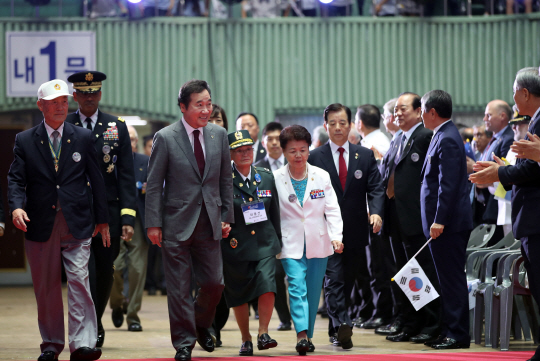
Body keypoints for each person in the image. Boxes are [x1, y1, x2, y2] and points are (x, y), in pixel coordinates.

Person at [7, 79, 110, 361]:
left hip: (77, 221)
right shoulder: (25, 140)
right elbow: (16, 179)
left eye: (64, 101)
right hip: (40, 223)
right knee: (47, 286)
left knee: (79, 281)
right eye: (54, 103)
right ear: (41, 106)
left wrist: (102, 220)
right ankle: (51, 344)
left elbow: (97, 181)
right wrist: (16, 207)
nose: (61, 107)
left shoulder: (83, 137)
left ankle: (83, 344)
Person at [145, 79, 234, 361]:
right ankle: (184, 343)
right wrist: (153, 223)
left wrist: (226, 215)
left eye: (208, 103)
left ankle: (198, 323)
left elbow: (225, 180)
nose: (206, 110)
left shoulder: (219, 135)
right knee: (180, 288)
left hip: (210, 221)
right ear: (183, 107)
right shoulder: (166, 137)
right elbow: (154, 183)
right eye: (199, 105)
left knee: (214, 284)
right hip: (175, 223)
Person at [470, 67, 540, 361]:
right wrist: (502, 171)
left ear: (524, 93)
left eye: (514, 90)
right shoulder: (534, 120)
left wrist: (499, 173)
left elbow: (531, 169)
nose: (513, 98)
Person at [65, 71, 137, 348]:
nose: (89, 97)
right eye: (83, 93)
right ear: (75, 96)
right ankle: (89, 326)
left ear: (100, 94)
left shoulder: (115, 126)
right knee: (81, 272)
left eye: (93, 92)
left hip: (108, 212)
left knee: (105, 270)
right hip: (76, 212)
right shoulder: (65, 123)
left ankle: (94, 318)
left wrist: (128, 216)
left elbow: (127, 175)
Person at [308, 104, 384, 349]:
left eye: (342, 122)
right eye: (332, 123)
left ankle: (336, 328)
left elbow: (376, 188)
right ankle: (344, 324)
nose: (338, 127)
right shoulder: (314, 157)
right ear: (325, 126)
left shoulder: (365, 155)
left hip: (355, 229)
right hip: (325, 230)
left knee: (348, 280)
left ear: (351, 125)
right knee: (333, 279)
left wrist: (376, 212)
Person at [274, 124, 344, 355]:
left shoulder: (321, 176)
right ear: (284, 152)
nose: (298, 155)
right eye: (293, 150)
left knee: (313, 292)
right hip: (290, 242)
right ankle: (301, 335)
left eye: (303, 150)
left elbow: (332, 209)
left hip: (318, 241)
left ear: (309, 150)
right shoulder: (276, 179)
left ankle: (308, 335)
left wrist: (336, 237)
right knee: (296, 286)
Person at [382, 92, 441, 344]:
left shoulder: (425, 136)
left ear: (419, 111)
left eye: (403, 108)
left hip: (416, 217)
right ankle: (409, 321)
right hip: (394, 215)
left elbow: (433, 178)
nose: (397, 113)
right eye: (395, 109)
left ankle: (431, 323)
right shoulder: (397, 138)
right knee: (403, 273)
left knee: (421, 272)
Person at [420, 89, 472, 350]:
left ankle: (458, 334)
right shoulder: (441, 134)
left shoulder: (449, 137)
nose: (420, 115)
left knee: (452, 279)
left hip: (448, 225)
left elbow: (447, 184)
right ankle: (447, 329)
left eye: (421, 109)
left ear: (432, 112)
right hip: (442, 225)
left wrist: (439, 220)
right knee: (444, 279)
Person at [222, 129, 281, 356]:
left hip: (265, 242)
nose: (245, 154)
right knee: (239, 292)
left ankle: (263, 333)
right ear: (230, 154)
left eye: (248, 149)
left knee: (268, 282)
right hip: (236, 244)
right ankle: (246, 339)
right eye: (239, 150)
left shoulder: (265, 176)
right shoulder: (224, 179)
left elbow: (274, 210)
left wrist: (278, 239)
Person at [109, 125, 150, 332]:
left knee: (137, 269)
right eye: (127, 139)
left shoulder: (145, 162)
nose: (131, 143)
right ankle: (116, 304)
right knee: (114, 268)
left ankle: (133, 315)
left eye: (134, 140)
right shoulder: (109, 163)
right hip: (115, 223)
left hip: (139, 223)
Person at [254, 121, 292, 332]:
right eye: (270, 139)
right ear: (263, 141)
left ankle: (300, 317)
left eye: (279, 139)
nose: (275, 143)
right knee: (276, 276)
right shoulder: (257, 169)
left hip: (295, 228)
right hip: (270, 233)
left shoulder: (295, 163)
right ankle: (284, 318)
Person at [477, 100, 514, 244]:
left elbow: (506, 172)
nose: (485, 119)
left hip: (502, 202)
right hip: (492, 204)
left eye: (488, 115)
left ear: (502, 116)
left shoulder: (508, 139)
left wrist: (488, 180)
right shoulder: (496, 139)